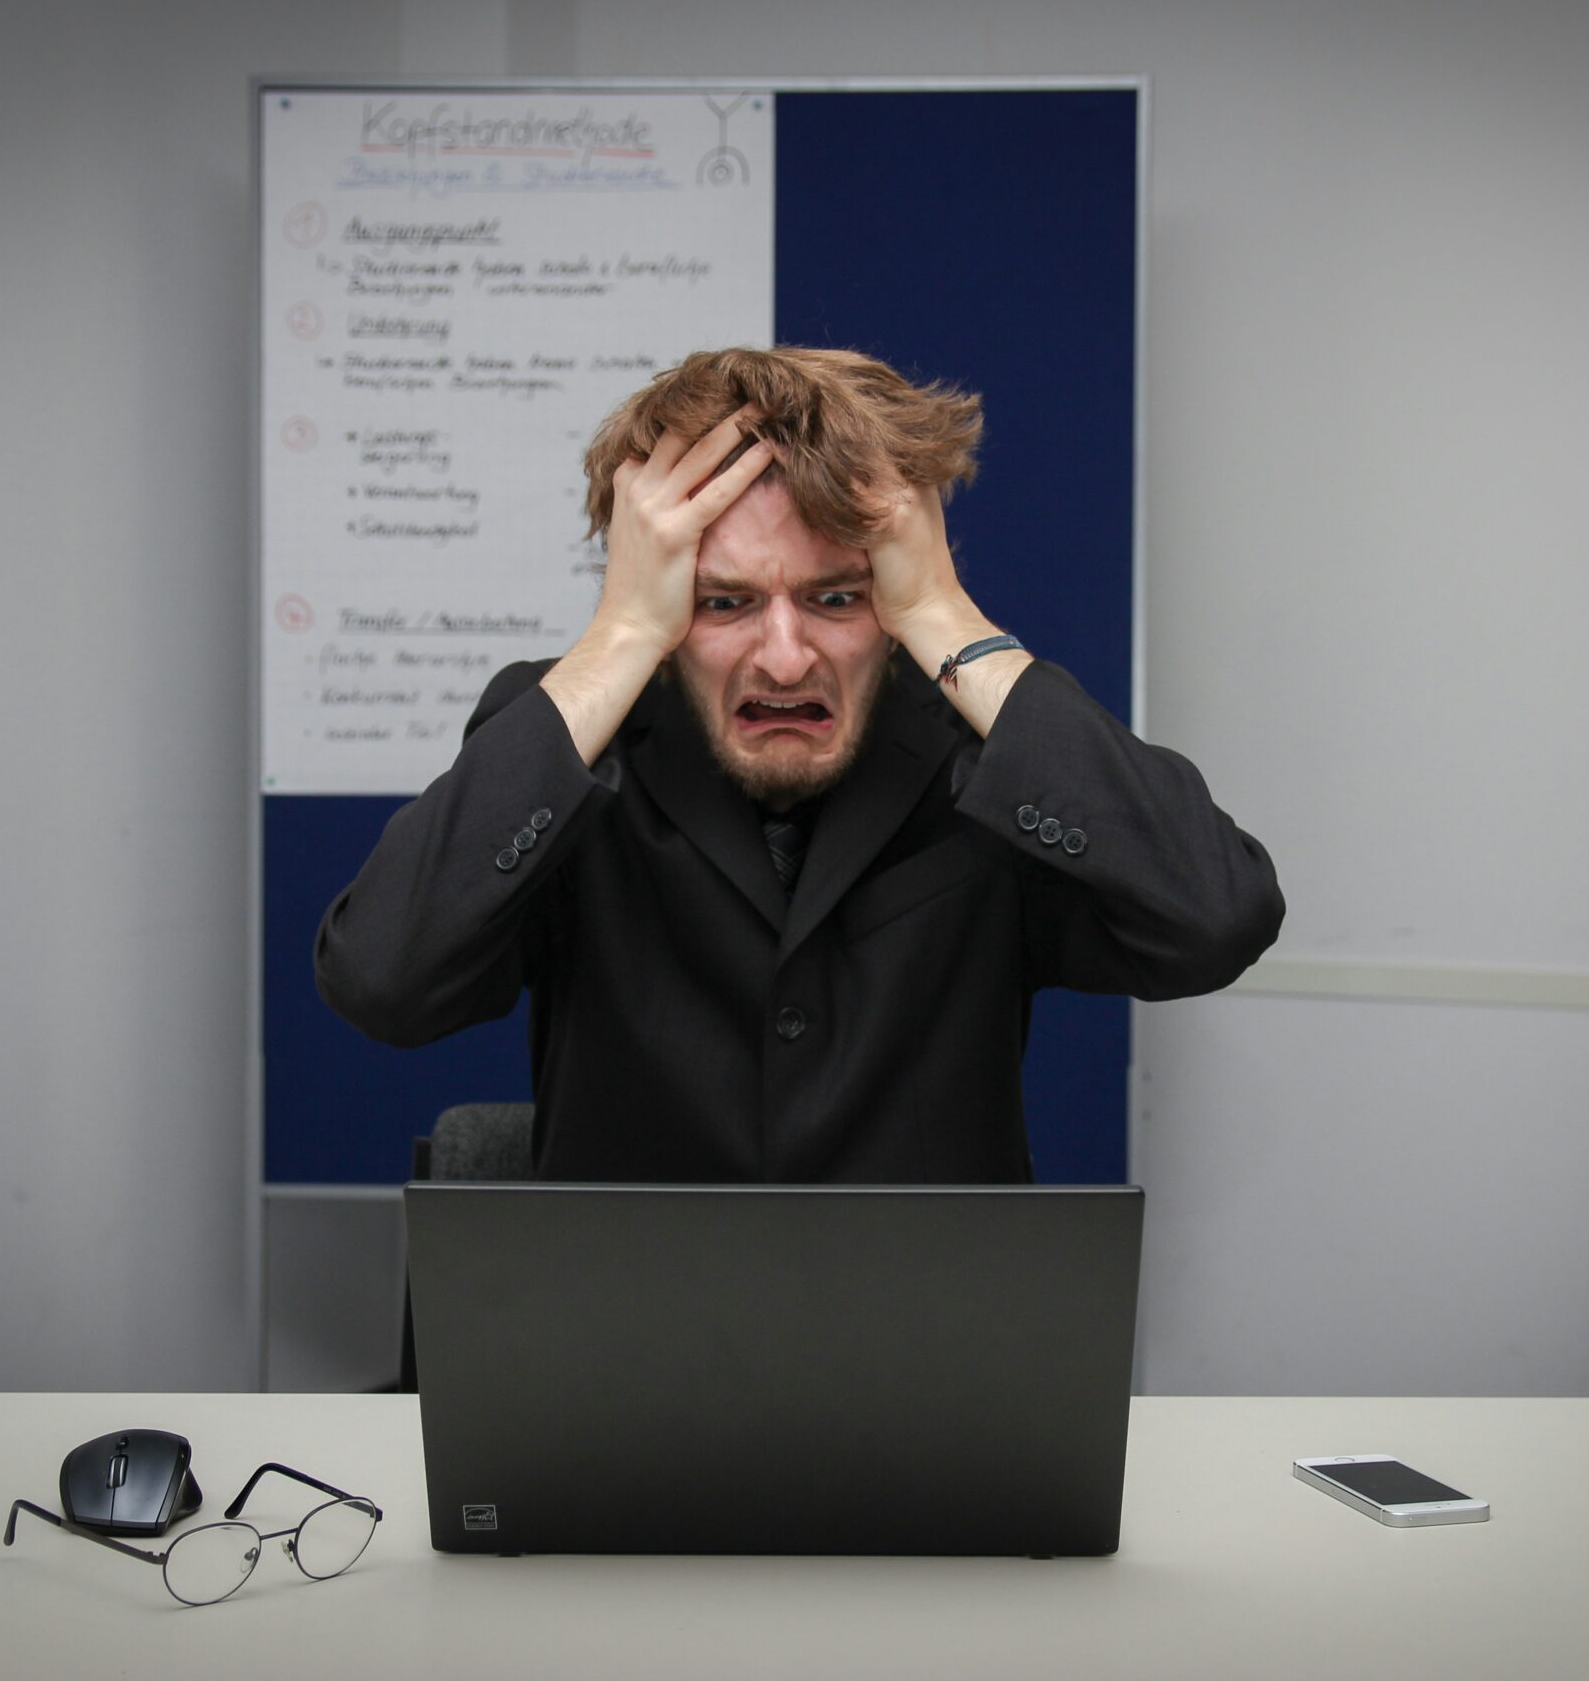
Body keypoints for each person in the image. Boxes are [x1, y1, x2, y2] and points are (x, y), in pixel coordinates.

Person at [315, 347, 1282, 1181]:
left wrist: (945, 619)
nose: (783, 657)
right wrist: (620, 638)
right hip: (630, 1364)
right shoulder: (575, 747)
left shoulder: (978, 750)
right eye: (724, 603)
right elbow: (383, 978)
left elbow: (1213, 916)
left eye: (836, 597)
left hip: (929, 1360)